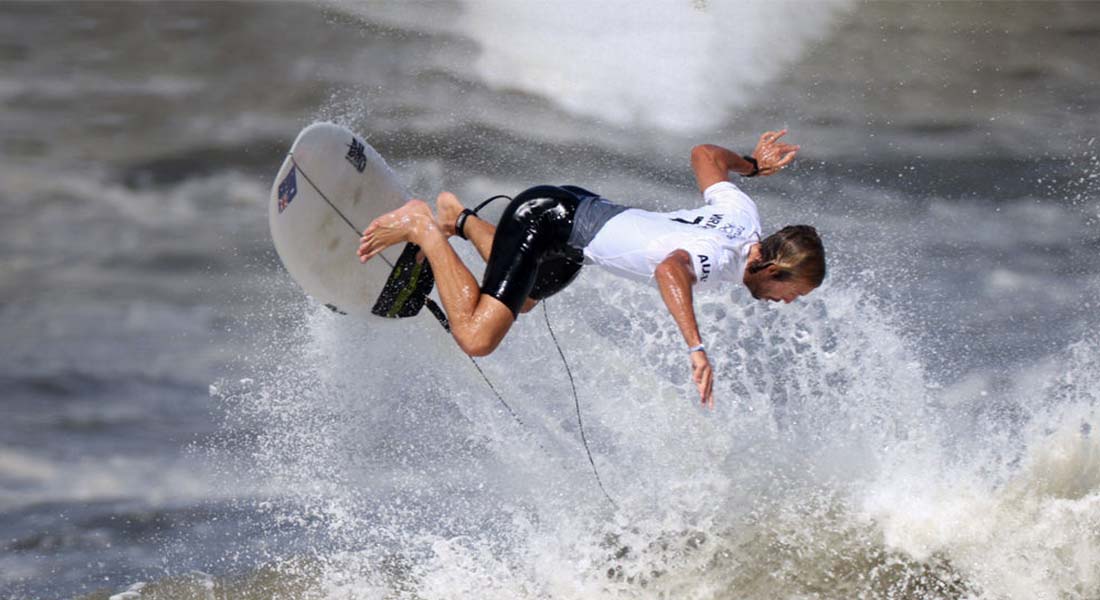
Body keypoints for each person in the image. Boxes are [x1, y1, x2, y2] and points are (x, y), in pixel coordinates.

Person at [357, 130, 824, 407]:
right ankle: (424, 228)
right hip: (550, 221)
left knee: (522, 301)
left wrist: (753, 168)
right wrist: (695, 347)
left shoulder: (743, 217)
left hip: (576, 232)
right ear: (773, 268)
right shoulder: (721, 257)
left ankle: (456, 219)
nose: (787, 303)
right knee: (478, 337)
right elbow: (670, 270)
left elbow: (704, 155)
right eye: (793, 292)